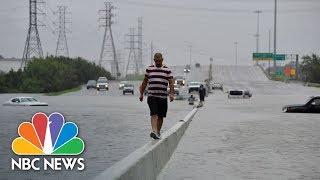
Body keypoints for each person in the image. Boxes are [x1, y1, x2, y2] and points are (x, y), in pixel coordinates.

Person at [139, 53, 174, 140]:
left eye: (159, 60)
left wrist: (171, 94)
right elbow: (144, 82)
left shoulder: (167, 70)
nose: (157, 62)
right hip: (152, 95)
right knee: (154, 113)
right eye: (156, 60)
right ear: (154, 60)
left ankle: (158, 132)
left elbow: (171, 83)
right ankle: (154, 131)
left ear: (162, 59)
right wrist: (141, 94)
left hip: (163, 97)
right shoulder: (149, 69)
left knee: (161, 116)